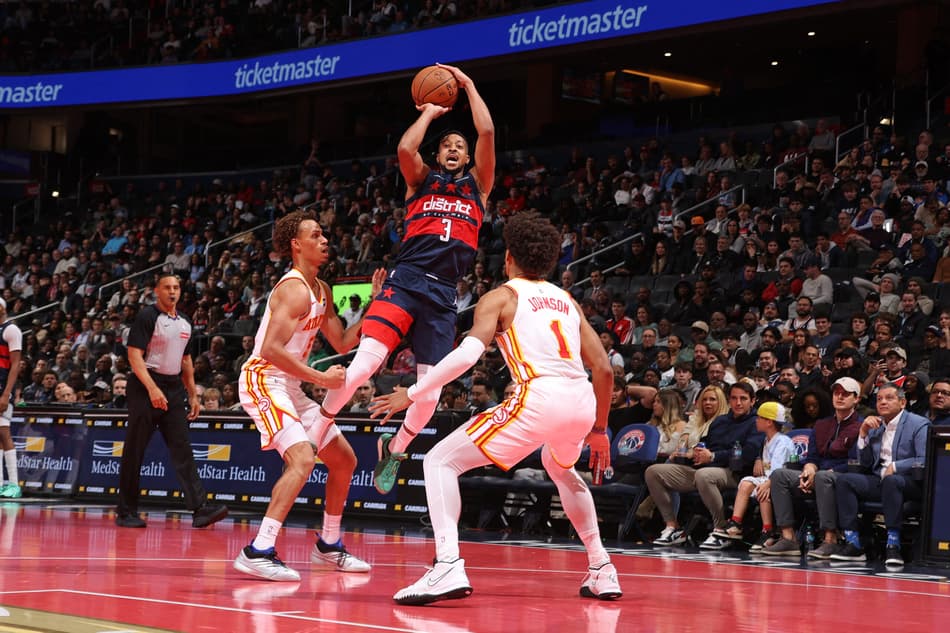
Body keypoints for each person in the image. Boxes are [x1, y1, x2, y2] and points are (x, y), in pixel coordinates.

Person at [368, 211, 621, 604]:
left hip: (539, 396)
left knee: (439, 461)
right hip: (581, 400)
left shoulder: (501, 297)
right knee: (560, 468)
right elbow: (603, 368)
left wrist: (413, 393)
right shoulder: (567, 300)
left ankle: (447, 564)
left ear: (508, 257)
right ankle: (602, 568)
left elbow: (468, 355)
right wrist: (600, 430)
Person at [316, 64, 496, 495]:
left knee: (430, 394)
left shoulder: (478, 187)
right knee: (363, 365)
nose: (454, 149)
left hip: (443, 294)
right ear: (438, 155)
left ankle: (394, 449)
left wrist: (469, 85)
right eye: (447, 145)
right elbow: (404, 147)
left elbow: (487, 132)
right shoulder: (421, 181)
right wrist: (430, 112)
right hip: (406, 281)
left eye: (460, 146)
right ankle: (316, 430)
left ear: (468, 158)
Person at [234, 210, 384, 582]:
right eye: (315, 235)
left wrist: (373, 304)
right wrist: (321, 378)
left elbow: (343, 342)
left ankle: (329, 545)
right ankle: (258, 550)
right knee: (302, 459)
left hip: (292, 385)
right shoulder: (294, 289)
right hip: (263, 380)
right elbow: (270, 349)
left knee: (344, 461)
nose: (324, 240)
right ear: (296, 245)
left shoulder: (322, 290)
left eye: (323, 234)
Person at [116, 274, 229, 528]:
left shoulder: (185, 322)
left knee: (182, 447)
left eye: (176, 287)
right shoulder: (147, 316)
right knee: (135, 449)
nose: (172, 292)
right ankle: (126, 511)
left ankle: (200, 509)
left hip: (174, 386)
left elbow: (186, 361)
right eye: (167, 287)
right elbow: (134, 356)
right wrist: (152, 388)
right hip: (145, 385)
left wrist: (193, 394)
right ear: (157, 291)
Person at [646, 382, 761, 549]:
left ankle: (721, 529)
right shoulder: (720, 421)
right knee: (654, 471)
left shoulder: (756, 422)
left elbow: (748, 454)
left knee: (704, 475)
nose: (738, 403)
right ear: (729, 400)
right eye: (734, 398)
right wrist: (693, 453)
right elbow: (706, 444)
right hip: (706, 468)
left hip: (736, 473)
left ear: (753, 401)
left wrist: (713, 456)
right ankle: (673, 527)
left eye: (743, 399)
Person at [830, 383, 930, 566]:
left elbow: (925, 459)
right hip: (881, 480)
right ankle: (853, 543)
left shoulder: (919, 424)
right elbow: (865, 463)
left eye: (889, 398)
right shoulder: (874, 426)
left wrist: (896, 466)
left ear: (902, 402)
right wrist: (863, 434)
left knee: (892, 481)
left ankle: (893, 544)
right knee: (845, 480)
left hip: (910, 483)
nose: (883, 402)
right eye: (879, 399)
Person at [714, 402, 793, 550]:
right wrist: (758, 459)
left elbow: (778, 471)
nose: (756, 420)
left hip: (781, 480)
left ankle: (768, 531)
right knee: (745, 483)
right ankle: (736, 523)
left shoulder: (782, 442)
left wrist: (767, 483)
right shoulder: (766, 440)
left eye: (760, 418)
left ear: (769, 422)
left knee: (762, 491)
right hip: (769, 477)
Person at [0, 298, 23, 498]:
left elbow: (15, 365)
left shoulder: (11, 330)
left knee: (3, 432)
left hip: (2, 388)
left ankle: (14, 484)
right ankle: (1, 483)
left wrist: (6, 393)